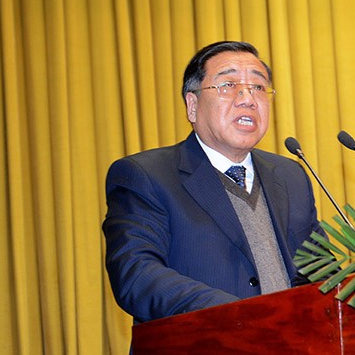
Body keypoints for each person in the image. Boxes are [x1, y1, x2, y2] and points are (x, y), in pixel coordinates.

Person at [102, 41, 326, 324]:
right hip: (203, 341)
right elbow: (137, 275)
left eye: (258, 87)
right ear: (192, 105)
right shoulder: (146, 175)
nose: (248, 99)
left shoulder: (290, 176)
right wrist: (239, 316)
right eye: (228, 85)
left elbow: (321, 272)